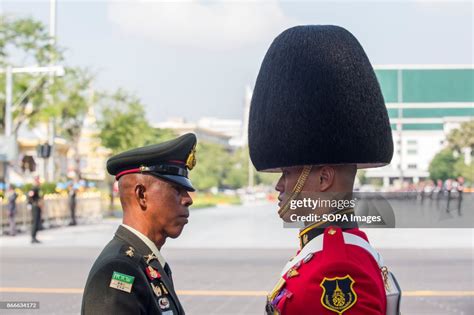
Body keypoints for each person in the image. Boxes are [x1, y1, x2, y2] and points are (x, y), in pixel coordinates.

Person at [248, 26, 401, 314]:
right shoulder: (325, 252)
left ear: (323, 178)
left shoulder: (337, 268)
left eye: (288, 173)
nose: (279, 185)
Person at [81, 133, 196, 315]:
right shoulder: (119, 269)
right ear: (142, 195)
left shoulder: (147, 261)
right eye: (177, 189)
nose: (188, 200)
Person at [28, 177, 42, 244]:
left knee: (37, 222)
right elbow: (29, 196)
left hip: (38, 207)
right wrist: (30, 204)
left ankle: (35, 237)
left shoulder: (38, 188)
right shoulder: (33, 188)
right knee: (35, 222)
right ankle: (33, 237)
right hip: (35, 206)